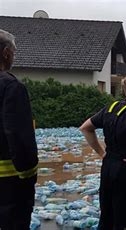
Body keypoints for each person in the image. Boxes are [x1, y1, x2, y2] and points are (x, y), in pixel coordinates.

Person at [80, 74, 126, 230]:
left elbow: (85, 128)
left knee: (108, 214)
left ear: (124, 90)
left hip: (108, 167)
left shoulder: (110, 108)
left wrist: (102, 153)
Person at [0, 29, 39, 229]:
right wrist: (29, 173)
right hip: (9, 184)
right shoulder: (11, 86)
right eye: (14, 53)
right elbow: (17, 134)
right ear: (6, 53)